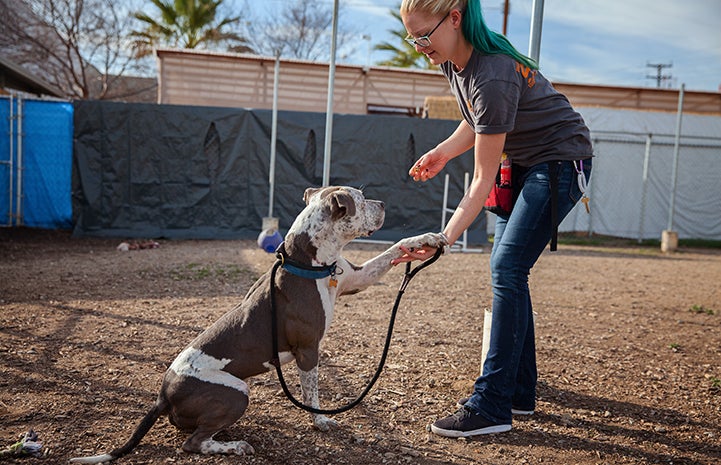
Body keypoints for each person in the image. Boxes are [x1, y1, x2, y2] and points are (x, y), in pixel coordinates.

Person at [391, 0, 594, 438]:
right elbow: (477, 119)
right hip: (523, 161)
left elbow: (481, 178)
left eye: (424, 36)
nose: (419, 46)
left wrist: (444, 238)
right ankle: (519, 391)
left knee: (507, 267)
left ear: (455, 18)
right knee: (507, 269)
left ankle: (493, 404)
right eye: (413, 38)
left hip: (559, 160)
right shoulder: (452, 61)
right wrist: (444, 152)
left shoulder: (494, 70)